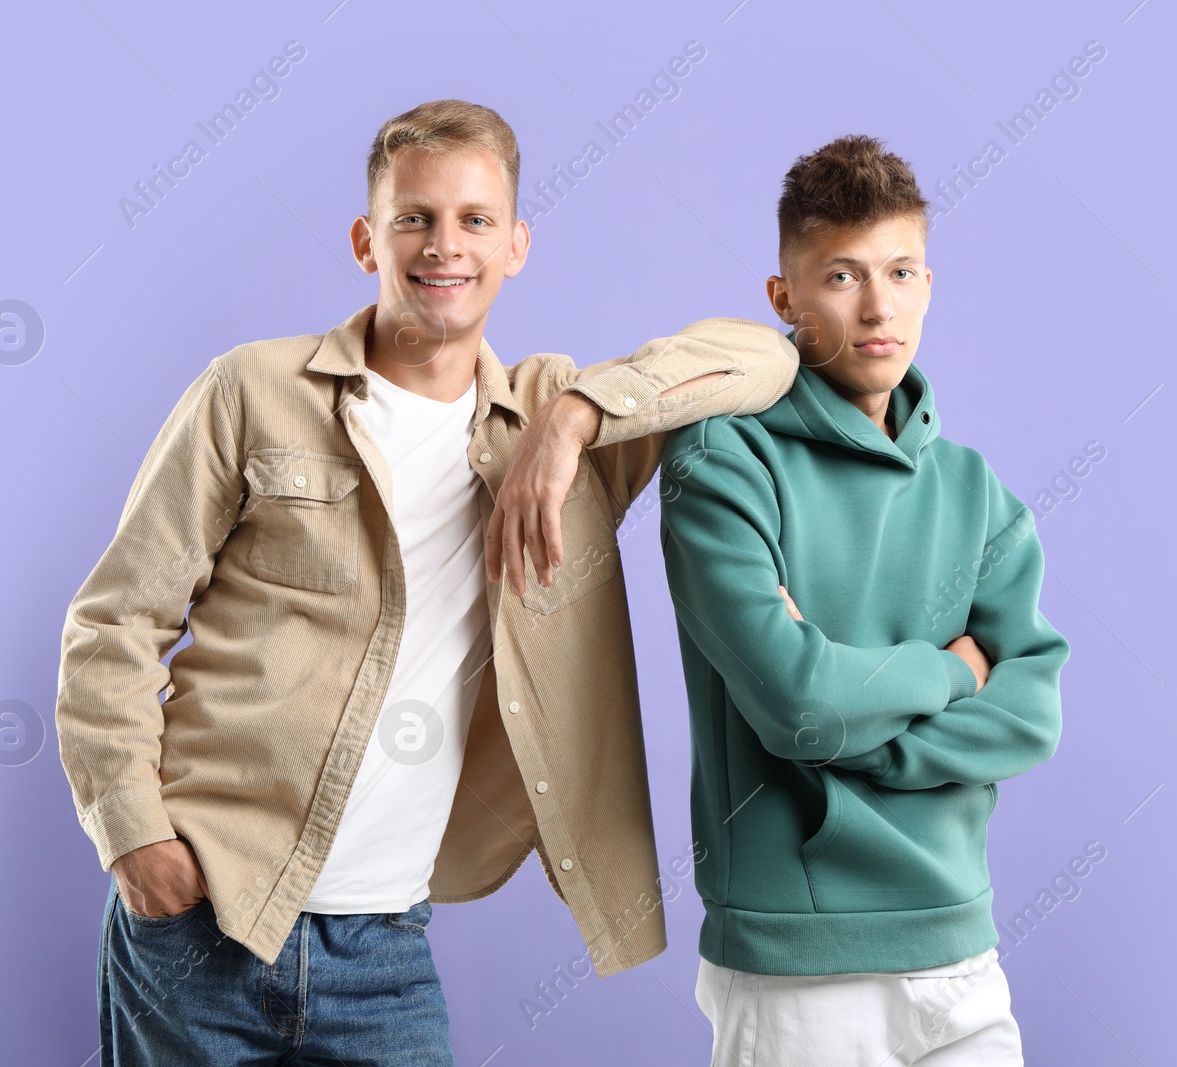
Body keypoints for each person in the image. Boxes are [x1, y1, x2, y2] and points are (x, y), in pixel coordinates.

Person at [55, 98, 797, 1066]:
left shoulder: (549, 421)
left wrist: (571, 417)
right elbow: (114, 620)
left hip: (385, 945)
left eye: (475, 219)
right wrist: (132, 835)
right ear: (369, 238)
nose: (444, 245)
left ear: (516, 243)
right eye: (415, 217)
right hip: (204, 914)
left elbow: (763, 353)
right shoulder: (252, 389)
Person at [658, 133, 1071, 1065]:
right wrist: (952, 668)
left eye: (901, 270)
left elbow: (1031, 714)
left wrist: (857, 715)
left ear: (929, 282)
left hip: (963, 951)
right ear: (784, 297)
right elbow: (800, 705)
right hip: (802, 965)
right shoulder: (725, 461)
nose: (879, 306)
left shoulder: (976, 491)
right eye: (841, 275)